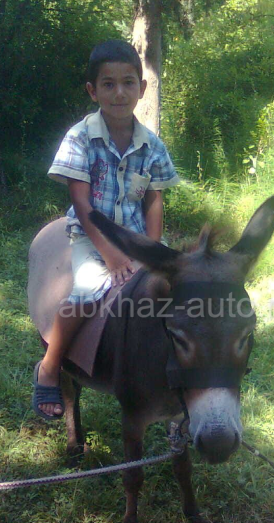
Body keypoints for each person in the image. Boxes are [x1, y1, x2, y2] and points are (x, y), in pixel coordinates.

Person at [32, 39, 180, 420]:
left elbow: (154, 201)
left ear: (141, 88)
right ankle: (50, 365)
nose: (119, 93)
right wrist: (112, 256)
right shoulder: (80, 138)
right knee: (86, 293)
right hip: (91, 237)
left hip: (137, 238)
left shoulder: (153, 147)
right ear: (92, 90)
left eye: (128, 83)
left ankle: (184, 369)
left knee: (181, 288)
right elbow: (82, 206)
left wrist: (151, 250)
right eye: (108, 84)